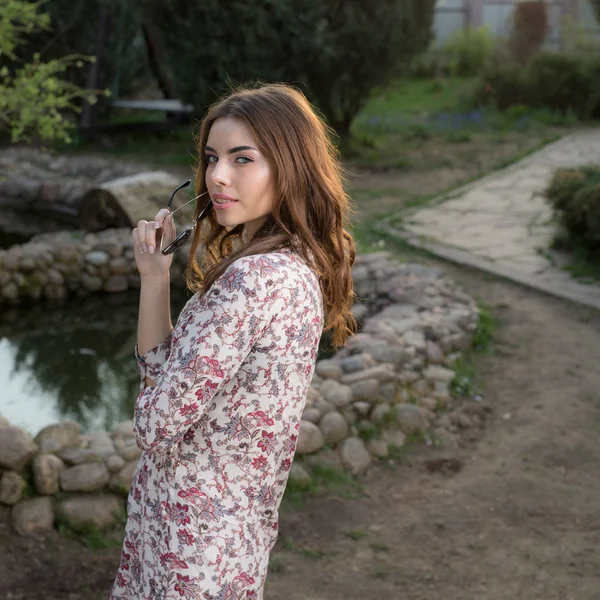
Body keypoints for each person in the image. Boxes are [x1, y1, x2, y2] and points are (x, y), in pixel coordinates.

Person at [110, 82, 356, 600]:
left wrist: (156, 400)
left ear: (289, 166)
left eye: (242, 159)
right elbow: (167, 372)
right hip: (230, 539)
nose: (217, 176)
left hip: (189, 546)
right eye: (211, 158)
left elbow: (154, 428)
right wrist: (155, 279)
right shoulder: (296, 268)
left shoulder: (251, 281)